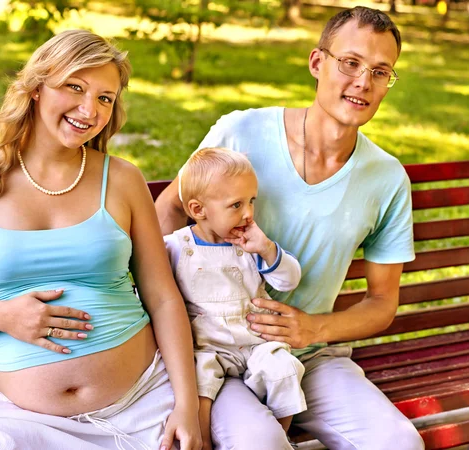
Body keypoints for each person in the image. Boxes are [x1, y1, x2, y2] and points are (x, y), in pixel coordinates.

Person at [0, 29, 201, 450]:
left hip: (142, 403)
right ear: (35, 88)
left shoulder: (121, 178)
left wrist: (187, 406)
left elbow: (162, 297)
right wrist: (2, 316)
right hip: (22, 419)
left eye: (106, 97)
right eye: (75, 87)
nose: (90, 109)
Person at [155, 6, 425, 450]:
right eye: (350, 63)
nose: (363, 82)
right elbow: (168, 211)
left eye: (380, 72)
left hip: (312, 358)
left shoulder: (388, 178)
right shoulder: (241, 131)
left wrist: (314, 329)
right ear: (318, 62)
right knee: (262, 444)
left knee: (399, 444)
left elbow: (381, 302)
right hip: (217, 351)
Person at [164, 147, 306, 449]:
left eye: (251, 201)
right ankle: (200, 442)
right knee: (199, 387)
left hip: (255, 343)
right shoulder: (176, 246)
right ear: (199, 210)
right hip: (208, 347)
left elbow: (289, 280)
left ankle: (282, 435)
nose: (249, 214)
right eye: (236, 205)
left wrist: (267, 248)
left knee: (286, 370)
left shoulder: (250, 243)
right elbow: (149, 282)